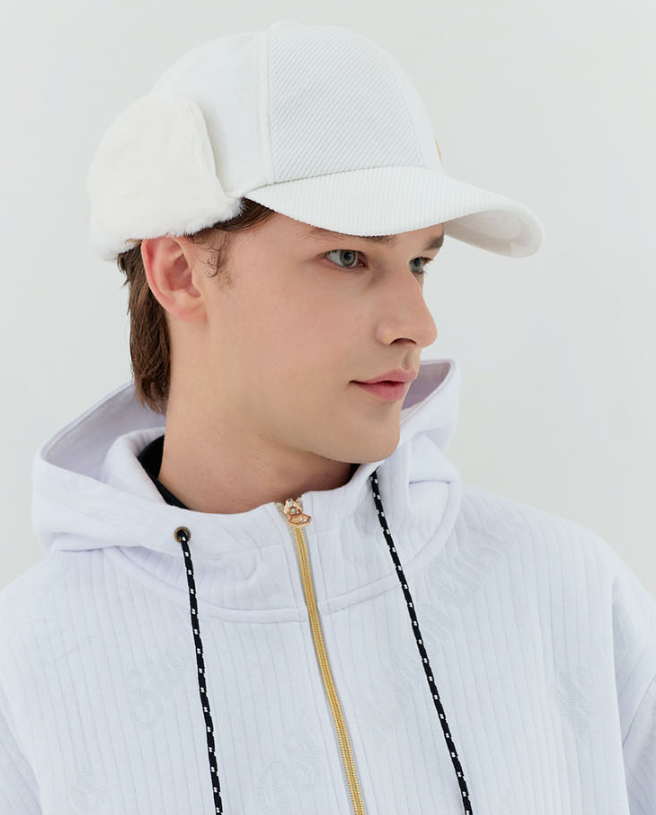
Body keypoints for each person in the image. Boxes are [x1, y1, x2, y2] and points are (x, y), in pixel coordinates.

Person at [1, 18, 654, 815]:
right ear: (180, 271)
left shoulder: (571, 594)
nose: (418, 323)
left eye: (420, 262)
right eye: (348, 256)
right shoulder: (27, 672)